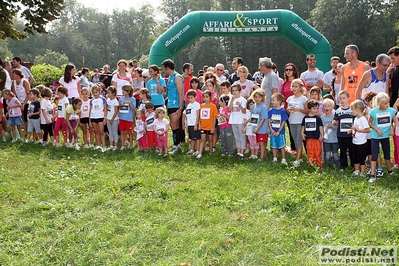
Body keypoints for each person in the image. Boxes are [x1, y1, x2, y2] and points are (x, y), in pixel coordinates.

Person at [368, 93, 396, 183]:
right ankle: (372, 175)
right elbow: (370, 123)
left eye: (388, 103)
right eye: (385, 103)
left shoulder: (391, 111)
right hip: (375, 136)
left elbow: (395, 121)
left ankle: (390, 170)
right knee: (374, 155)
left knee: (387, 153)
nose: (387, 105)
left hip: (386, 136)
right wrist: (376, 130)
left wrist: (393, 129)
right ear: (379, 103)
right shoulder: (373, 111)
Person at [281, 63, 306, 154]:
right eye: (286, 69)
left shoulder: (300, 80)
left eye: (290, 69)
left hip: (300, 110)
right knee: (292, 131)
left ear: (294, 70)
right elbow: (283, 97)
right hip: (288, 110)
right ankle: (294, 149)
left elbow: (305, 93)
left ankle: (302, 150)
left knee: (301, 132)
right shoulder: (284, 84)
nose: (288, 71)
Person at [162, 59, 184, 154]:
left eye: (164, 69)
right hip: (170, 104)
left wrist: (180, 107)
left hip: (176, 104)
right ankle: (177, 144)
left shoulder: (177, 77)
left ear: (167, 68)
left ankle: (176, 145)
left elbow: (180, 94)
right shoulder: (170, 77)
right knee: (173, 124)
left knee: (174, 125)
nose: (164, 71)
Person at [286, 79, 309, 165]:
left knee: (299, 141)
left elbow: (307, 111)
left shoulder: (304, 99)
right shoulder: (289, 99)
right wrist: (288, 110)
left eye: (296, 86)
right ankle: (300, 157)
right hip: (292, 121)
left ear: (300, 88)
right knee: (295, 141)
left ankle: (297, 159)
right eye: (292, 86)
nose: (294, 88)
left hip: (300, 122)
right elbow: (288, 111)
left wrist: (299, 109)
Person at [333, 90, 354, 170]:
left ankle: (353, 164)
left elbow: (355, 121)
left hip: (350, 134)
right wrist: (334, 122)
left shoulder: (352, 110)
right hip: (341, 135)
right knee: (342, 151)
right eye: (340, 98)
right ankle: (343, 166)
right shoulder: (338, 111)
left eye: (344, 98)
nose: (342, 100)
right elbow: (336, 120)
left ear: (348, 98)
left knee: (352, 150)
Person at [350, 100, 370, 177]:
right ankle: (356, 170)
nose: (352, 111)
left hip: (361, 142)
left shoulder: (363, 119)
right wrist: (351, 129)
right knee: (355, 157)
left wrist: (359, 130)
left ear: (357, 109)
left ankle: (363, 172)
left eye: (352, 109)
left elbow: (367, 129)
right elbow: (355, 127)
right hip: (355, 141)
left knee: (361, 158)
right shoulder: (356, 119)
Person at [301, 100, 324, 167]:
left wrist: (322, 135)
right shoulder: (305, 118)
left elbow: (320, 127)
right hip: (309, 138)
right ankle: (311, 164)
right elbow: (303, 126)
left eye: (317, 108)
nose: (316, 110)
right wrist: (302, 133)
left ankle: (319, 164)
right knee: (310, 151)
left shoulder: (318, 118)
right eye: (314, 108)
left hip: (317, 138)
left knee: (318, 151)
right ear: (309, 109)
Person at [268, 93, 288, 164]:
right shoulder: (271, 111)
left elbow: (283, 121)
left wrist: (279, 131)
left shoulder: (282, 111)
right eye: (271, 100)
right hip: (273, 132)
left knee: (281, 146)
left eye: (273, 100)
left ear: (279, 101)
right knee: (273, 145)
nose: (272, 101)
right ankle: (274, 158)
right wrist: (271, 130)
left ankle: (283, 159)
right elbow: (269, 121)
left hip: (280, 132)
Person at [197, 90, 218, 159]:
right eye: (204, 97)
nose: (205, 98)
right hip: (203, 126)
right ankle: (200, 153)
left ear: (210, 97)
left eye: (207, 97)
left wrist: (213, 127)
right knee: (202, 140)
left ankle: (211, 151)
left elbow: (215, 118)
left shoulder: (213, 106)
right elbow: (200, 116)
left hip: (210, 126)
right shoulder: (201, 106)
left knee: (210, 140)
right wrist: (199, 124)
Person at [229, 83, 247, 158]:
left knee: (241, 136)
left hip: (240, 121)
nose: (234, 92)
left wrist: (240, 105)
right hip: (233, 120)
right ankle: (238, 151)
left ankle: (242, 151)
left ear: (239, 91)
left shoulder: (243, 100)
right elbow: (229, 109)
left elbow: (244, 111)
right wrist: (232, 100)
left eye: (236, 90)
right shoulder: (231, 99)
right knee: (236, 137)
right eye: (233, 90)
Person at [250, 88, 268, 161]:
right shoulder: (254, 106)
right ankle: (265, 155)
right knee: (259, 142)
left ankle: (261, 158)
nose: (257, 99)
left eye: (259, 97)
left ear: (262, 98)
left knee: (261, 143)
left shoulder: (263, 107)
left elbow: (263, 119)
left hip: (262, 128)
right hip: (255, 127)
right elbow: (252, 116)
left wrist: (258, 128)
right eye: (256, 97)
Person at [321, 98, 339, 167]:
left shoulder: (335, 117)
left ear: (332, 107)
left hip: (334, 139)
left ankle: (336, 164)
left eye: (328, 106)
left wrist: (332, 126)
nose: (326, 108)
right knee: (327, 153)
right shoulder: (322, 117)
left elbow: (337, 127)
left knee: (335, 153)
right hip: (326, 139)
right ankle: (328, 165)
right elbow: (321, 127)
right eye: (325, 106)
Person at [89, 84, 107, 152]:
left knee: (101, 132)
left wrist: (105, 118)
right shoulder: (91, 100)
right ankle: (98, 145)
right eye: (93, 92)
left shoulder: (103, 99)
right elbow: (90, 110)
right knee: (96, 132)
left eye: (96, 92)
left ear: (99, 92)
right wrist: (90, 120)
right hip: (93, 117)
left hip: (100, 117)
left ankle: (104, 146)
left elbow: (105, 109)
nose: (95, 94)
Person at [183, 90, 201, 156]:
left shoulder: (197, 104)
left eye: (191, 97)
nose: (190, 99)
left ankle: (198, 150)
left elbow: (198, 115)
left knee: (197, 138)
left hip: (194, 123)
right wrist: (186, 125)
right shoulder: (188, 105)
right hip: (190, 124)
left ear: (195, 97)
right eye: (189, 98)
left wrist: (196, 124)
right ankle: (192, 149)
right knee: (191, 138)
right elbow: (187, 115)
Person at [118, 84, 136, 150]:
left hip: (129, 118)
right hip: (122, 118)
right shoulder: (121, 98)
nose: (122, 92)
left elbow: (133, 109)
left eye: (124, 91)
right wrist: (121, 104)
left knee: (129, 132)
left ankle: (131, 145)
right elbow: (118, 107)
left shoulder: (132, 99)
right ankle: (123, 145)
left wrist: (130, 103)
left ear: (128, 91)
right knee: (122, 132)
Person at [106, 86, 119, 151]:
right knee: (110, 132)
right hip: (108, 118)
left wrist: (112, 119)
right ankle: (111, 145)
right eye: (107, 93)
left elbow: (116, 111)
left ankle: (115, 145)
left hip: (114, 119)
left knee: (114, 132)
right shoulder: (108, 100)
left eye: (109, 93)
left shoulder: (115, 101)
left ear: (113, 93)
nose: (107, 94)